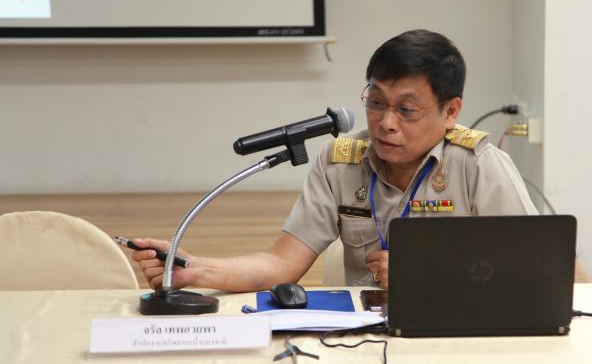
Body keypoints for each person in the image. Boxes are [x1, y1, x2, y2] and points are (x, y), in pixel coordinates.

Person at [133, 29, 537, 290]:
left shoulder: (479, 164)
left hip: (456, 332)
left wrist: (431, 274)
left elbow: (531, 267)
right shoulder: (340, 162)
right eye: (376, 102)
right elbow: (281, 263)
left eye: (406, 110)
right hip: (363, 338)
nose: (386, 123)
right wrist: (196, 269)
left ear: (451, 112)